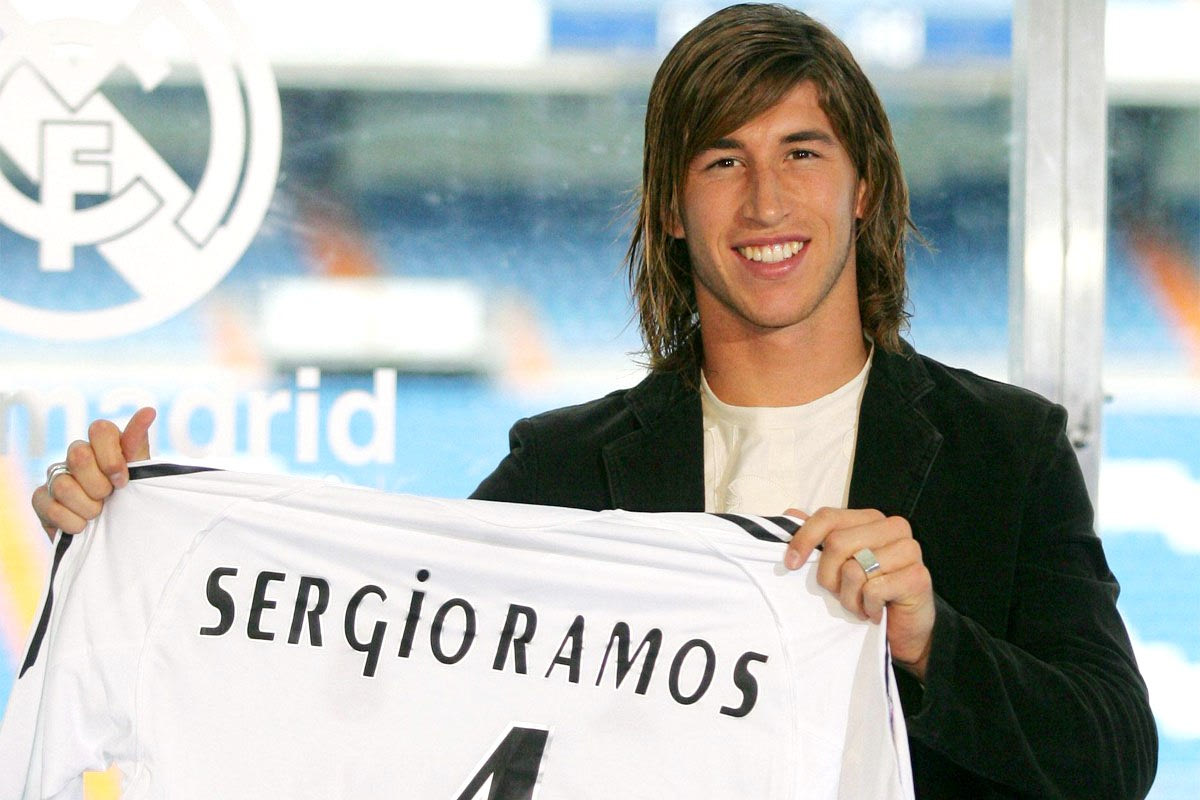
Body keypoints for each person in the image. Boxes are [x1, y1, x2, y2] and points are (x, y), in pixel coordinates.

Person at [31, 4, 1156, 798]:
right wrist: (129, 541)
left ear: (864, 186)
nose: (767, 201)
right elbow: (367, 680)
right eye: (721, 161)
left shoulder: (1005, 449)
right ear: (670, 207)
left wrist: (931, 641)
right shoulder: (560, 472)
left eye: (803, 153)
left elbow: (1116, 757)